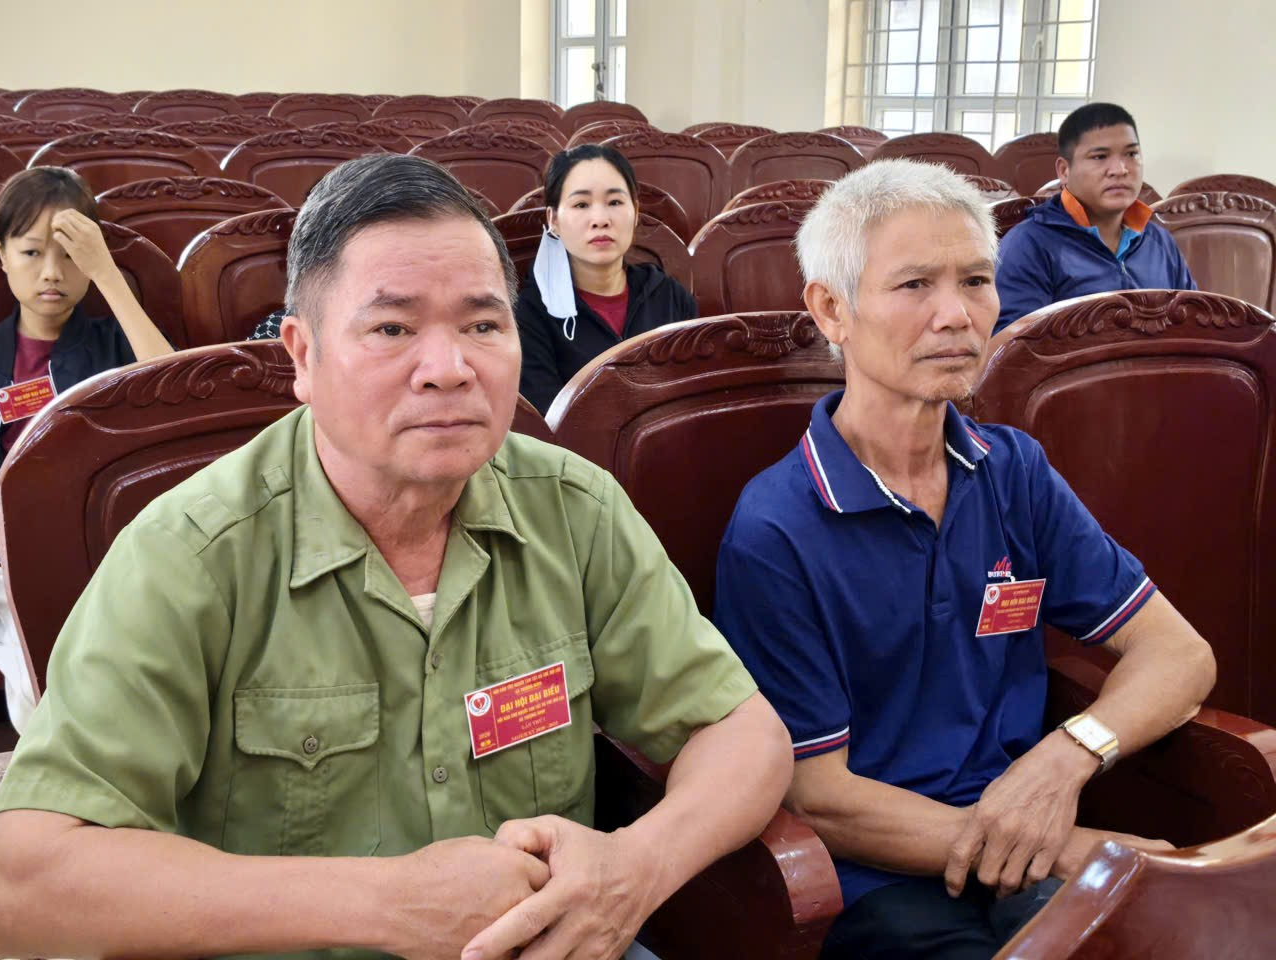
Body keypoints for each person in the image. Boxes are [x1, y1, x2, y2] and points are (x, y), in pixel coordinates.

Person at [0, 154, 793, 960]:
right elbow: (25, 879)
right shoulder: (190, 555)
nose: (450, 370)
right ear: (302, 355)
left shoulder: (573, 509)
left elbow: (743, 734)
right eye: (392, 329)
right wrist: (382, 905)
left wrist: (634, 869)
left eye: (483, 326)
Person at [713, 158, 1216, 960]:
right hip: (883, 879)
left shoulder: (1013, 470)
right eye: (915, 285)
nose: (956, 316)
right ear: (832, 309)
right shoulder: (778, 526)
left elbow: (1180, 654)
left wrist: (1065, 758)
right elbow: (820, 794)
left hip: (1028, 832)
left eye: (977, 281)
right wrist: (1062, 849)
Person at [0, 166, 174, 731]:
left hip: (97, 544)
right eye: (31, 253)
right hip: (5, 553)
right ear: (1, 256)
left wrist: (107, 275)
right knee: (35, 666)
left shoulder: (110, 343)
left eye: (71, 255)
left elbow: (178, 389)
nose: (52, 273)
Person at [516, 144, 697, 414]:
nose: (600, 220)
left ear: (635, 211)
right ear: (553, 220)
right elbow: (547, 422)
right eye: (581, 204)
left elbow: (692, 398)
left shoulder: (671, 297)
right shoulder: (529, 314)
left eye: (614, 202)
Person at [994, 103, 1195, 333]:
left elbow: (1193, 327)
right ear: (1064, 171)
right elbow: (1013, 347)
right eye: (1100, 157)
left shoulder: (1159, 241)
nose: (1120, 169)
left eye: (1131, 154)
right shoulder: (1029, 244)